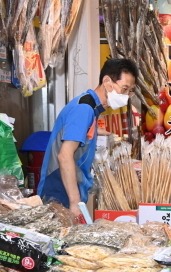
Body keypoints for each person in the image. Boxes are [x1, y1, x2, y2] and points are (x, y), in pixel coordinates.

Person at [38, 59, 138, 218]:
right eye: (124, 89)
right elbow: (64, 156)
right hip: (58, 195)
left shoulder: (91, 108)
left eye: (130, 91)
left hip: (66, 192)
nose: (126, 96)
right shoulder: (84, 109)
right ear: (107, 81)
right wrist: (74, 202)